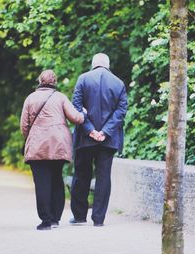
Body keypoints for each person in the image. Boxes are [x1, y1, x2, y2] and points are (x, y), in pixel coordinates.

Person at [20, 70, 85, 230]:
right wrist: (83, 113)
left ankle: (46, 220)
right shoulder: (60, 97)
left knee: (42, 183)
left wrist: (33, 136)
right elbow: (76, 119)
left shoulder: (30, 98)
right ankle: (56, 218)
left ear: (39, 81)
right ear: (54, 82)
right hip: (59, 144)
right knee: (57, 180)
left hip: (38, 146)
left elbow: (24, 126)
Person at [70, 53, 128, 227]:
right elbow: (121, 111)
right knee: (103, 177)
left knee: (81, 175)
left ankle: (80, 216)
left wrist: (90, 130)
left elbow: (76, 107)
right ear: (108, 65)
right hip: (108, 139)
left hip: (85, 139)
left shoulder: (83, 79)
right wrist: (105, 132)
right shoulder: (118, 83)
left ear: (93, 64)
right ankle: (99, 219)